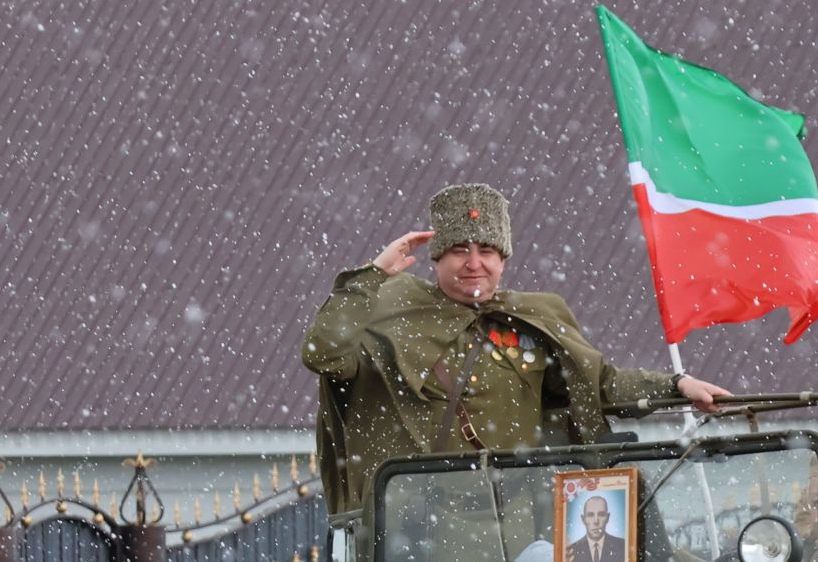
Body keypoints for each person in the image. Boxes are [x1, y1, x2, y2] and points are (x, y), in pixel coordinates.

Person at [303, 183, 731, 513]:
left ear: (503, 258)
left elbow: (600, 385)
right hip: (415, 533)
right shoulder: (390, 315)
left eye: (487, 250)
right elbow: (323, 353)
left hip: (515, 527)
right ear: (436, 259)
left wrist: (679, 385)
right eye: (458, 251)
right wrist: (372, 276)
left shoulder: (535, 318)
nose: (474, 263)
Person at [564, 494, 627, 562]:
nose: (596, 521)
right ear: (583, 519)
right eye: (590, 515)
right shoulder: (570, 551)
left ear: (608, 517)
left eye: (601, 514)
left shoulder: (623, 547)